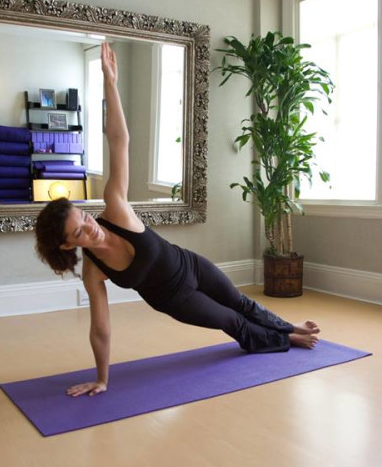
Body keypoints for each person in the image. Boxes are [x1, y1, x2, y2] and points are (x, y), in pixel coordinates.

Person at [35, 43, 320, 397]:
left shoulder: (115, 208)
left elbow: (119, 141)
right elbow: (100, 328)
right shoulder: (94, 271)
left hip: (190, 264)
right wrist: (102, 378)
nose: (89, 226)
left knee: (241, 303)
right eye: (80, 231)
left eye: (84, 217)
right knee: (232, 322)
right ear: (68, 244)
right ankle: (287, 337)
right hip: (175, 301)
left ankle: (287, 325)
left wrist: (111, 82)